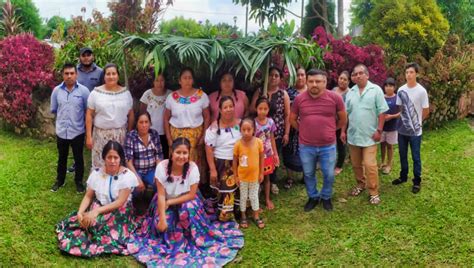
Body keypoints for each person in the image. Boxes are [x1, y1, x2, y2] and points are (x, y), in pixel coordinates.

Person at [129, 138, 244, 267]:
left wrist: (171, 202)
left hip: (187, 200)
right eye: (178, 152)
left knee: (187, 209)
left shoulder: (193, 168)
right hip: (164, 200)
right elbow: (161, 195)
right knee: (166, 223)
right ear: (171, 153)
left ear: (189, 154)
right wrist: (162, 218)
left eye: (185, 153)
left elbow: (191, 194)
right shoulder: (162, 167)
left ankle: (193, 237)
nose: (181, 156)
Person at [56, 141, 139, 257]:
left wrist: (96, 212)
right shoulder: (96, 174)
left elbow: (120, 202)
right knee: (86, 221)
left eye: (116, 157)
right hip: (99, 205)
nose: (112, 161)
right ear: (104, 158)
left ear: (121, 159)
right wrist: (80, 212)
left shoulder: (127, 176)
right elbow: (88, 195)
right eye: (109, 157)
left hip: (119, 210)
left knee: (96, 226)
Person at [290, 69, 347, 212]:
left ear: (325, 82)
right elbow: (292, 119)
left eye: (318, 81)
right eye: (311, 81)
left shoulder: (335, 98)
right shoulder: (299, 99)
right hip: (306, 146)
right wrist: (303, 130)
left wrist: (331, 130)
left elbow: (343, 119)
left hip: (328, 146)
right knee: (308, 173)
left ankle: (326, 196)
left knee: (328, 174)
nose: (314, 84)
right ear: (307, 82)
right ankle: (313, 197)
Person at [341, 64, 388, 205]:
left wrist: (379, 130)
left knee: (370, 165)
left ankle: (373, 191)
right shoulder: (350, 92)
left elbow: (382, 112)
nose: (358, 76)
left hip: (370, 136)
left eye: (361, 73)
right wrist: (343, 131)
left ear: (367, 75)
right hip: (353, 136)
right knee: (356, 164)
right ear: (353, 77)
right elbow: (346, 114)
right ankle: (360, 184)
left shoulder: (376, 90)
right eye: (355, 74)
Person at [163, 67, 210, 184]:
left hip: (195, 136)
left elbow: (207, 117)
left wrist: (204, 136)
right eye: (185, 78)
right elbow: (165, 118)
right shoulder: (172, 97)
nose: (187, 80)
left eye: (190, 78)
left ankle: (193, 190)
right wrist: (169, 138)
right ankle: (176, 187)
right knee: (177, 161)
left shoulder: (201, 95)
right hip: (176, 136)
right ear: (179, 81)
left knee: (193, 164)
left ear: (193, 80)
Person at [250, 66, 291, 195]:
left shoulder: (283, 94)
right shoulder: (260, 91)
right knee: (258, 158)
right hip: (259, 133)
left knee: (273, 157)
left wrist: (286, 133)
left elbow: (287, 115)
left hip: (275, 132)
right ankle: (260, 182)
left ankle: (272, 182)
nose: (273, 77)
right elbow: (252, 108)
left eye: (276, 75)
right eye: (271, 75)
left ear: (280, 79)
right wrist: (261, 101)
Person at [50, 63, 90, 193]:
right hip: (62, 131)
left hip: (77, 131)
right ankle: (60, 180)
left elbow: (87, 111)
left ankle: (78, 182)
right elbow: (55, 110)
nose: (69, 76)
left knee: (78, 158)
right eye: (66, 74)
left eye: (72, 73)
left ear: (76, 75)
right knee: (62, 157)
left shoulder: (84, 91)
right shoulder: (56, 91)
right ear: (62, 75)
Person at [86, 63, 134, 168]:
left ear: (118, 75)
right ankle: (99, 183)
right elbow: (89, 114)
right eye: (108, 74)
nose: (111, 76)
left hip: (120, 135)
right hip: (100, 135)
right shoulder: (96, 93)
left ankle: (119, 184)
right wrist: (89, 137)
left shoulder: (125, 93)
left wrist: (129, 134)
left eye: (114, 73)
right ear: (104, 76)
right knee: (100, 164)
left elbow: (130, 115)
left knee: (117, 163)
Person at [392, 62, 429, 194]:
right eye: (407, 72)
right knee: (402, 155)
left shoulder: (421, 91)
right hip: (402, 130)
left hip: (415, 132)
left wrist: (418, 122)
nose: (409, 74)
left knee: (415, 156)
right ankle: (403, 176)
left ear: (416, 74)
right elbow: (401, 108)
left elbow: (426, 110)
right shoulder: (401, 90)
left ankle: (417, 181)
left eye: (411, 72)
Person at [205, 96, 242, 221]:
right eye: (225, 107)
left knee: (241, 186)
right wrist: (213, 169)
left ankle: (239, 211)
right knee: (226, 189)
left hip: (239, 162)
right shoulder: (214, 128)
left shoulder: (241, 124)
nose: (228, 109)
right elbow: (209, 148)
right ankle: (225, 214)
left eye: (231, 106)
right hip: (221, 163)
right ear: (220, 110)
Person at [67, 47, 103, 173]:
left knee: (96, 138)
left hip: (95, 112)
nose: (86, 57)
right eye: (84, 55)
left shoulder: (100, 72)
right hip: (78, 111)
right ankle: (77, 162)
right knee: (77, 138)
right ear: (80, 57)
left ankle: (98, 162)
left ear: (92, 56)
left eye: (89, 55)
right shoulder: (74, 72)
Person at [233, 118, 264, 228]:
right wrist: (236, 176)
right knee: (243, 197)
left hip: (255, 177)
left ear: (254, 130)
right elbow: (235, 161)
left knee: (254, 196)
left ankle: (256, 216)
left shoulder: (259, 142)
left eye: (249, 129)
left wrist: (261, 173)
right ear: (240, 130)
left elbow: (261, 159)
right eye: (243, 130)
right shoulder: (238, 144)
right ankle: (243, 217)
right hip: (242, 178)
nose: (246, 132)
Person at [124, 111, 163, 196]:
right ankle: (135, 205)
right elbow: (128, 161)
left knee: (160, 183)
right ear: (136, 124)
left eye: (146, 122)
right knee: (133, 187)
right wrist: (137, 178)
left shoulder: (154, 134)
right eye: (141, 122)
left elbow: (158, 156)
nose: (144, 125)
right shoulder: (131, 136)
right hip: (136, 170)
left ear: (150, 123)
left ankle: (155, 205)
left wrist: (157, 174)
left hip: (152, 170)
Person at [283, 67, 307, 189]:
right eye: (298, 75)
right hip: (292, 128)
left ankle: (305, 176)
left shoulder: (312, 91)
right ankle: (290, 177)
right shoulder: (288, 92)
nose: (300, 77)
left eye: (302, 75)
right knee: (290, 152)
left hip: (308, 130)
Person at [139, 72, 172, 159]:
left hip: (166, 133)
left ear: (165, 81)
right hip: (150, 132)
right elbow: (142, 113)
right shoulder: (147, 94)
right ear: (153, 82)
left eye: (162, 80)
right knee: (151, 156)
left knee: (165, 156)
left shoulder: (170, 94)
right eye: (157, 80)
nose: (159, 83)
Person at [254, 97, 279, 210]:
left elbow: (272, 138)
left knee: (267, 178)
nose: (262, 111)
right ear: (256, 109)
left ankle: (267, 199)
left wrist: (275, 154)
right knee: (256, 179)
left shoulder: (270, 122)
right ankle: (256, 201)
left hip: (268, 154)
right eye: (260, 108)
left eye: (265, 109)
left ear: (268, 110)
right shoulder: (253, 123)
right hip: (256, 156)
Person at [380, 77, 400, 175]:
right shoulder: (381, 97)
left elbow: (401, 113)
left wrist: (392, 116)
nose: (388, 88)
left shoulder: (397, 98)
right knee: (382, 145)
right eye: (386, 86)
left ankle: (389, 165)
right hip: (381, 127)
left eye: (390, 86)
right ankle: (382, 162)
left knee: (389, 146)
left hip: (392, 128)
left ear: (394, 87)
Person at [332, 71, 350, 176]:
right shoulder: (334, 90)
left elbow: (346, 114)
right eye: (340, 78)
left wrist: (343, 130)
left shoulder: (350, 93)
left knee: (341, 143)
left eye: (345, 79)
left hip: (343, 123)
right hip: (331, 122)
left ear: (348, 81)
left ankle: (339, 166)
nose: (342, 81)